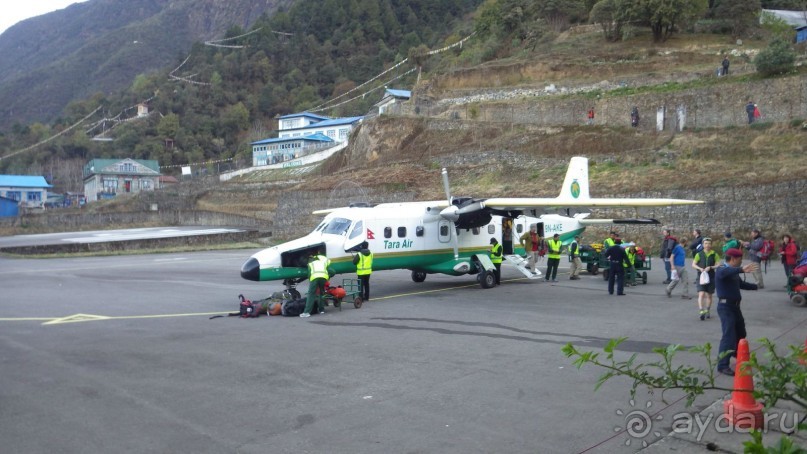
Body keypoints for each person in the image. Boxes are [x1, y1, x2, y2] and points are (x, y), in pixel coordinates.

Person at [715, 248, 759, 376]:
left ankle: (735, 353)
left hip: (735, 307)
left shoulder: (733, 272)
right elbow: (724, 272)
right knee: (728, 336)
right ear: (733, 259)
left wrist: (755, 286)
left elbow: (741, 284)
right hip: (725, 307)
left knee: (741, 332)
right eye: (740, 260)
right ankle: (722, 365)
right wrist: (741, 270)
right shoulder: (722, 269)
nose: (741, 263)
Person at [692, 238, 719, 320]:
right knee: (701, 294)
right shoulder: (699, 254)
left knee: (709, 295)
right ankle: (701, 311)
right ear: (703, 245)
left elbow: (718, 265)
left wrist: (711, 267)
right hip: (701, 277)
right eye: (706, 243)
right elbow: (693, 264)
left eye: (709, 243)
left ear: (711, 245)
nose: (707, 245)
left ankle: (707, 310)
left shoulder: (714, 254)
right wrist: (700, 268)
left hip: (711, 276)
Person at [301, 249, 330, 318]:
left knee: (311, 294)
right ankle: (321, 310)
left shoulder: (311, 263)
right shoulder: (323, 262)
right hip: (324, 277)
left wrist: (310, 280)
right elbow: (330, 271)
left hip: (315, 277)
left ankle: (306, 312)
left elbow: (309, 273)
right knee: (321, 293)